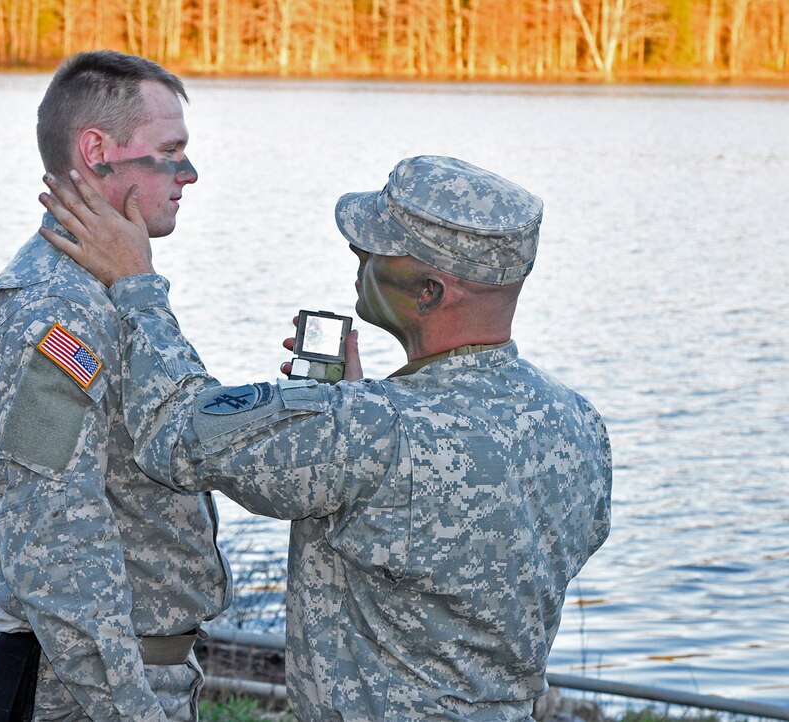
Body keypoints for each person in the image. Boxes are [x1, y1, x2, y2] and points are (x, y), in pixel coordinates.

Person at [38, 155, 613, 721]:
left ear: (431, 291)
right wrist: (353, 410)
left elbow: (176, 430)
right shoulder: (577, 423)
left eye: (373, 249)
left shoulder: (370, 429)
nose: (357, 254)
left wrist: (136, 283)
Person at [0, 50, 230, 722]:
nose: (188, 174)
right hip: (85, 690)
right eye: (169, 151)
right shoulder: (59, 312)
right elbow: (54, 544)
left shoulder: (105, 292)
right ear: (98, 152)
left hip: (122, 677)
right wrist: (129, 710)